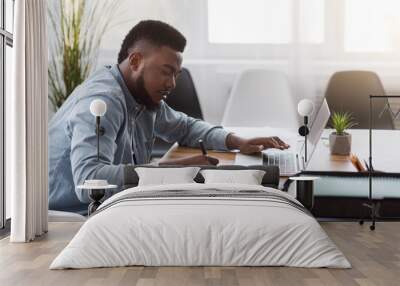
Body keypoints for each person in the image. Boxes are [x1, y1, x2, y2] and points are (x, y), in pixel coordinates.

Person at [48, 20, 289, 214]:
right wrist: (167, 170)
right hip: (70, 217)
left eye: (176, 74)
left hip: (114, 205)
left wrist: (237, 142)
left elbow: (185, 127)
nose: (172, 83)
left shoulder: (142, 98)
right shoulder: (103, 101)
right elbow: (89, 181)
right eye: (166, 72)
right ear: (135, 61)